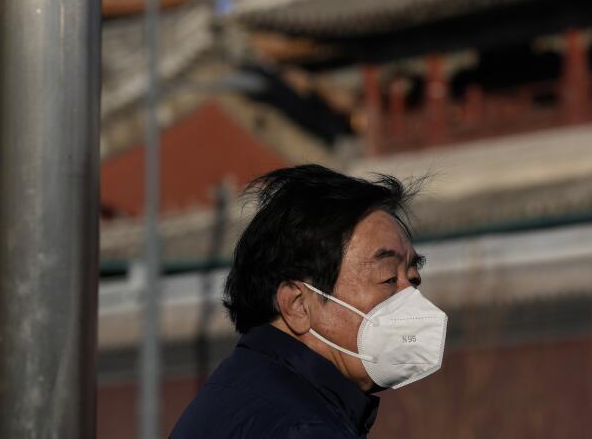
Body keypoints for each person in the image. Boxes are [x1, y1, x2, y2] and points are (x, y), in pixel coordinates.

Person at [171, 164, 446, 438]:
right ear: (298, 305)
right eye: (388, 278)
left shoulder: (237, 394)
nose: (409, 297)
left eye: (413, 279)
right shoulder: (304, 428)